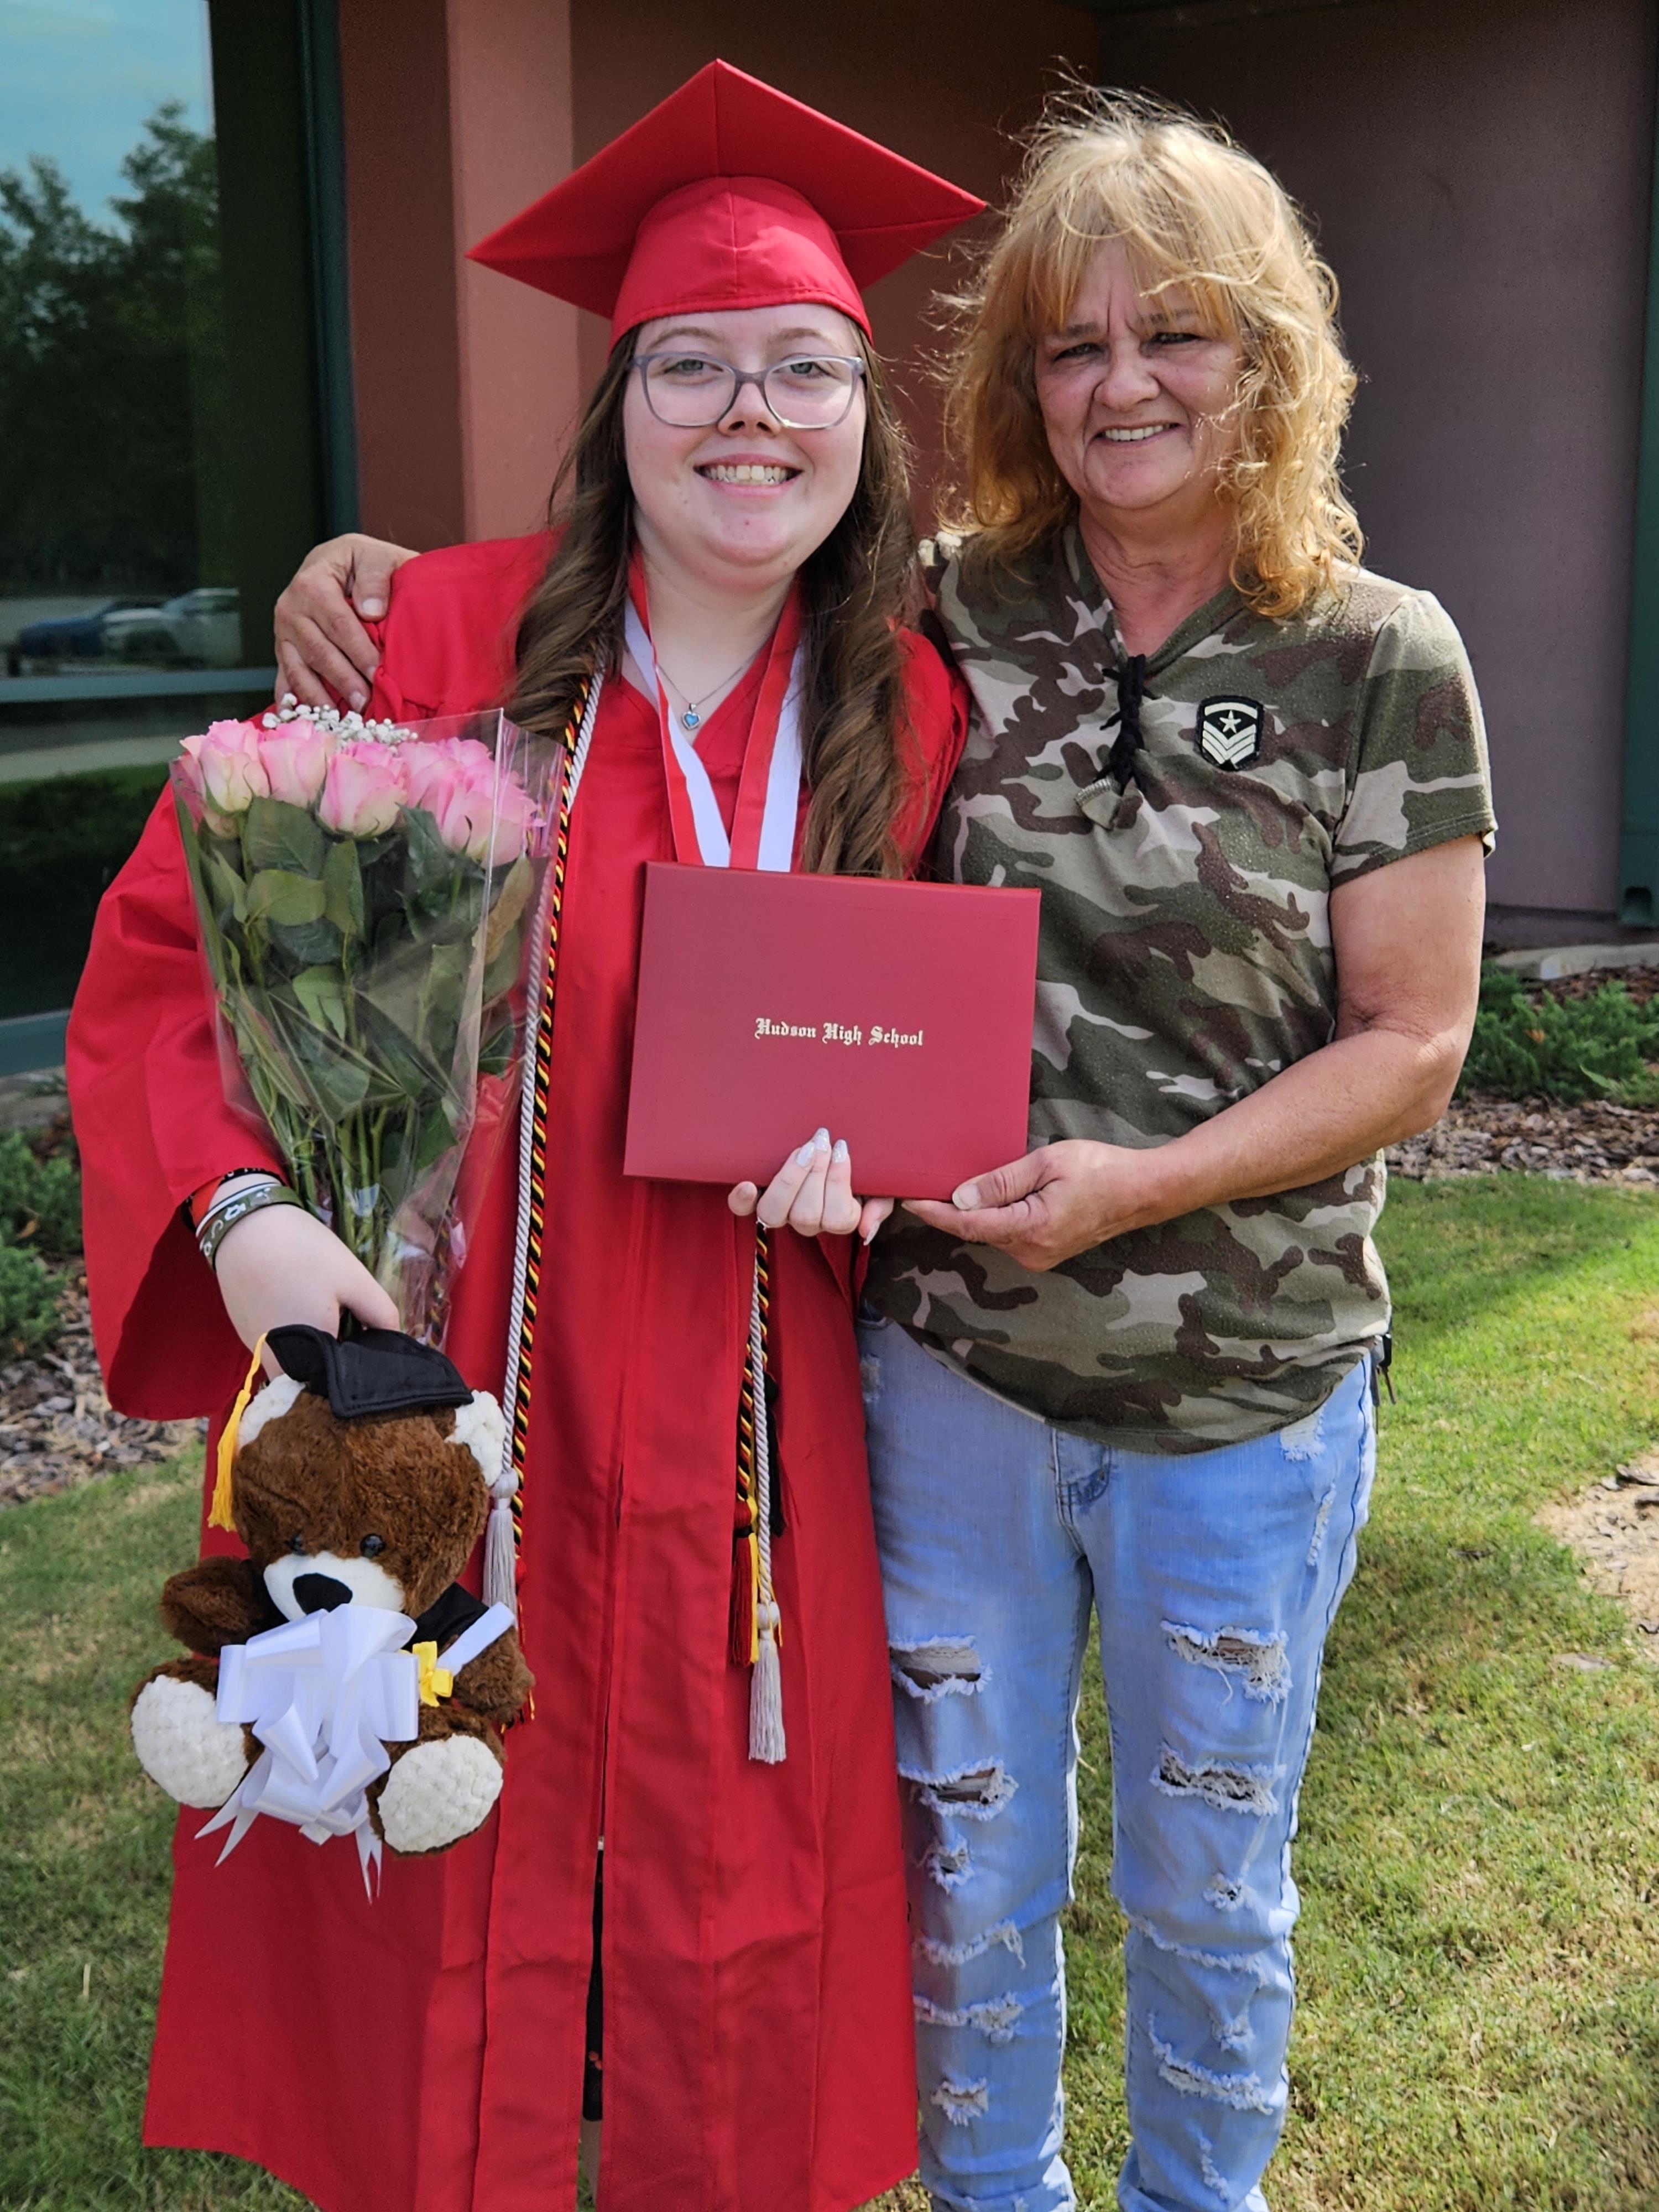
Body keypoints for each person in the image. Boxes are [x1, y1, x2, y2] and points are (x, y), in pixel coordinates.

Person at [284, 92, 1496, 2212]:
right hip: (945, 1378)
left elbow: (1416, 1044)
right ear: (1020, 379)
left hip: (1239, 1388)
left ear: (1269, 357)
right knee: (969, 1870)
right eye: (1071, 341)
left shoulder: (1377, 655)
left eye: (1179, 334)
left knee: (1212, 1877)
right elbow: (687, 586)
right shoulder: (944, 616)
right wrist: (364, 576)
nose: (1123, 381)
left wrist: (1138, 1186)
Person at [69, 62, 982, 2212]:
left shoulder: (922, 716)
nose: (745, 415)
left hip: (764, 1455)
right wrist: (253, 1219)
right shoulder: (430, 641)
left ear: (868, 413)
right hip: (428, 1401)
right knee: (428, 1908)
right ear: (620, 395)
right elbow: (169, 961)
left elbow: (964, 1070)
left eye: (800, 370)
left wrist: (893, 1186)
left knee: (717, 1954)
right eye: (691, 364)